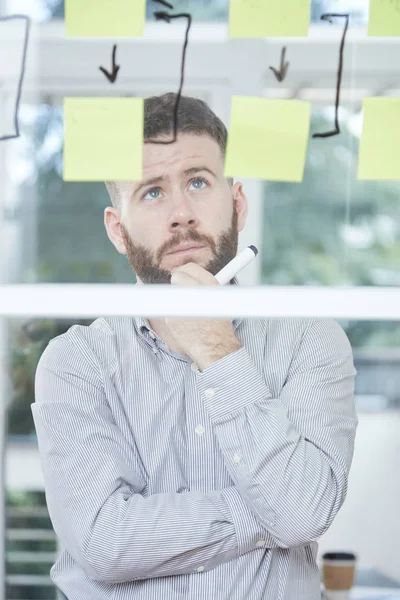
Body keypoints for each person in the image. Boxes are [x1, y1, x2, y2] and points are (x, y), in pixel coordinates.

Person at [32, 92, 358, 600]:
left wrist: (217, 347)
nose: (181, 213)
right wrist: (268, 511)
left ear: (238, 202)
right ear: (118, 231)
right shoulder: (75, 364)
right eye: (152, 193)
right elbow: (101, 543)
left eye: (199, 182)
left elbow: (301, 513)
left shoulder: (312, 342)